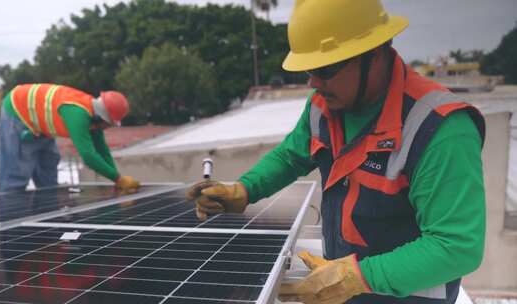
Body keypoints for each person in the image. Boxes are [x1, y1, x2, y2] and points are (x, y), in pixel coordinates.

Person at [186, 0, 486, 303]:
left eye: (325, 68)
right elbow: (290, 156)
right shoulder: (325, 105)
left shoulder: (440, 128)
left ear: (375, 53)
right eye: (309, 71)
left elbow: (456, 246)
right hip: (339, 294)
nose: (314, 82)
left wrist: (357, 277)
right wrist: (245, 189)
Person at [0, 83, 140, 193]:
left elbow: (103, 151)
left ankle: (47, 225)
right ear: (102, 118)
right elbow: (88, 156)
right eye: (109, 124)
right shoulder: (78, 115)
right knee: (15, 177)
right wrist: (118, 178)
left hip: (39, 123)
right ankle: (11, 225)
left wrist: (116, 179)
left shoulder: (94, 119)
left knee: (48, 176)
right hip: (17, 112)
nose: (108, 128)